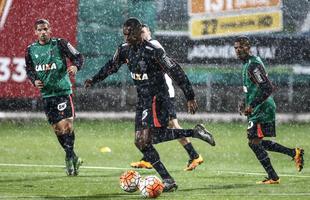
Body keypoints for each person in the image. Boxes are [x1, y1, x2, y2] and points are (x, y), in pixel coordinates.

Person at [84, 17, 215, 192]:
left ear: (139, 32)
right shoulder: (124, 50)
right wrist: (94, 79)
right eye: (125, 34)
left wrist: (190, 96)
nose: (126, 37)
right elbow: (111, 66)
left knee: (150, 138)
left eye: (130, 34)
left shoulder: (153, 50)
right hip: (143, 100)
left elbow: (176, 71)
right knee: (141, 142)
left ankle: (189, 143)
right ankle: (170, 177)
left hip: (158, 98)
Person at [130, 24, 205, 171]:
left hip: (164, 94)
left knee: (169, 126)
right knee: (159, 126)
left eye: (143, 32)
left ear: (149, 32)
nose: (141, 34)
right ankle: (150, 158)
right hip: (159, 94)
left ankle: (194, 155)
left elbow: (170, 69)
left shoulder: (153, 46)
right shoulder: (143, 48)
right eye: (140, 32)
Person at [234, 36, 304, 184]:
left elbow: (267, 88)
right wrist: (243, 101)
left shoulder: (253, 65)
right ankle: (293, 153)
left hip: (262, 108)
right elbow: (251, 88)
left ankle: (273, 176)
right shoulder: (248, 64)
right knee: (256, 142)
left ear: (248, 47)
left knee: (254, 143)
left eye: (241, 47)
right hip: (259, 108)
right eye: (235, 48)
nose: (238, 50)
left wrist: (251, 105)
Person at [25, 19, 84, 176]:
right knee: (58, 130)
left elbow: (78, 57)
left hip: (63, 92)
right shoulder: (30, 49)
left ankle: (68, 158)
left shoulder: (60, 43)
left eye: (45, 29)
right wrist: (34, 80)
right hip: (47, 95)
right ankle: (73, 156)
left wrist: (75, 66)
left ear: (50, 30)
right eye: (39, 30)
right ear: (35, 32)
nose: (43, 32)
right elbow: (29, 70)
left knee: (67, 126)